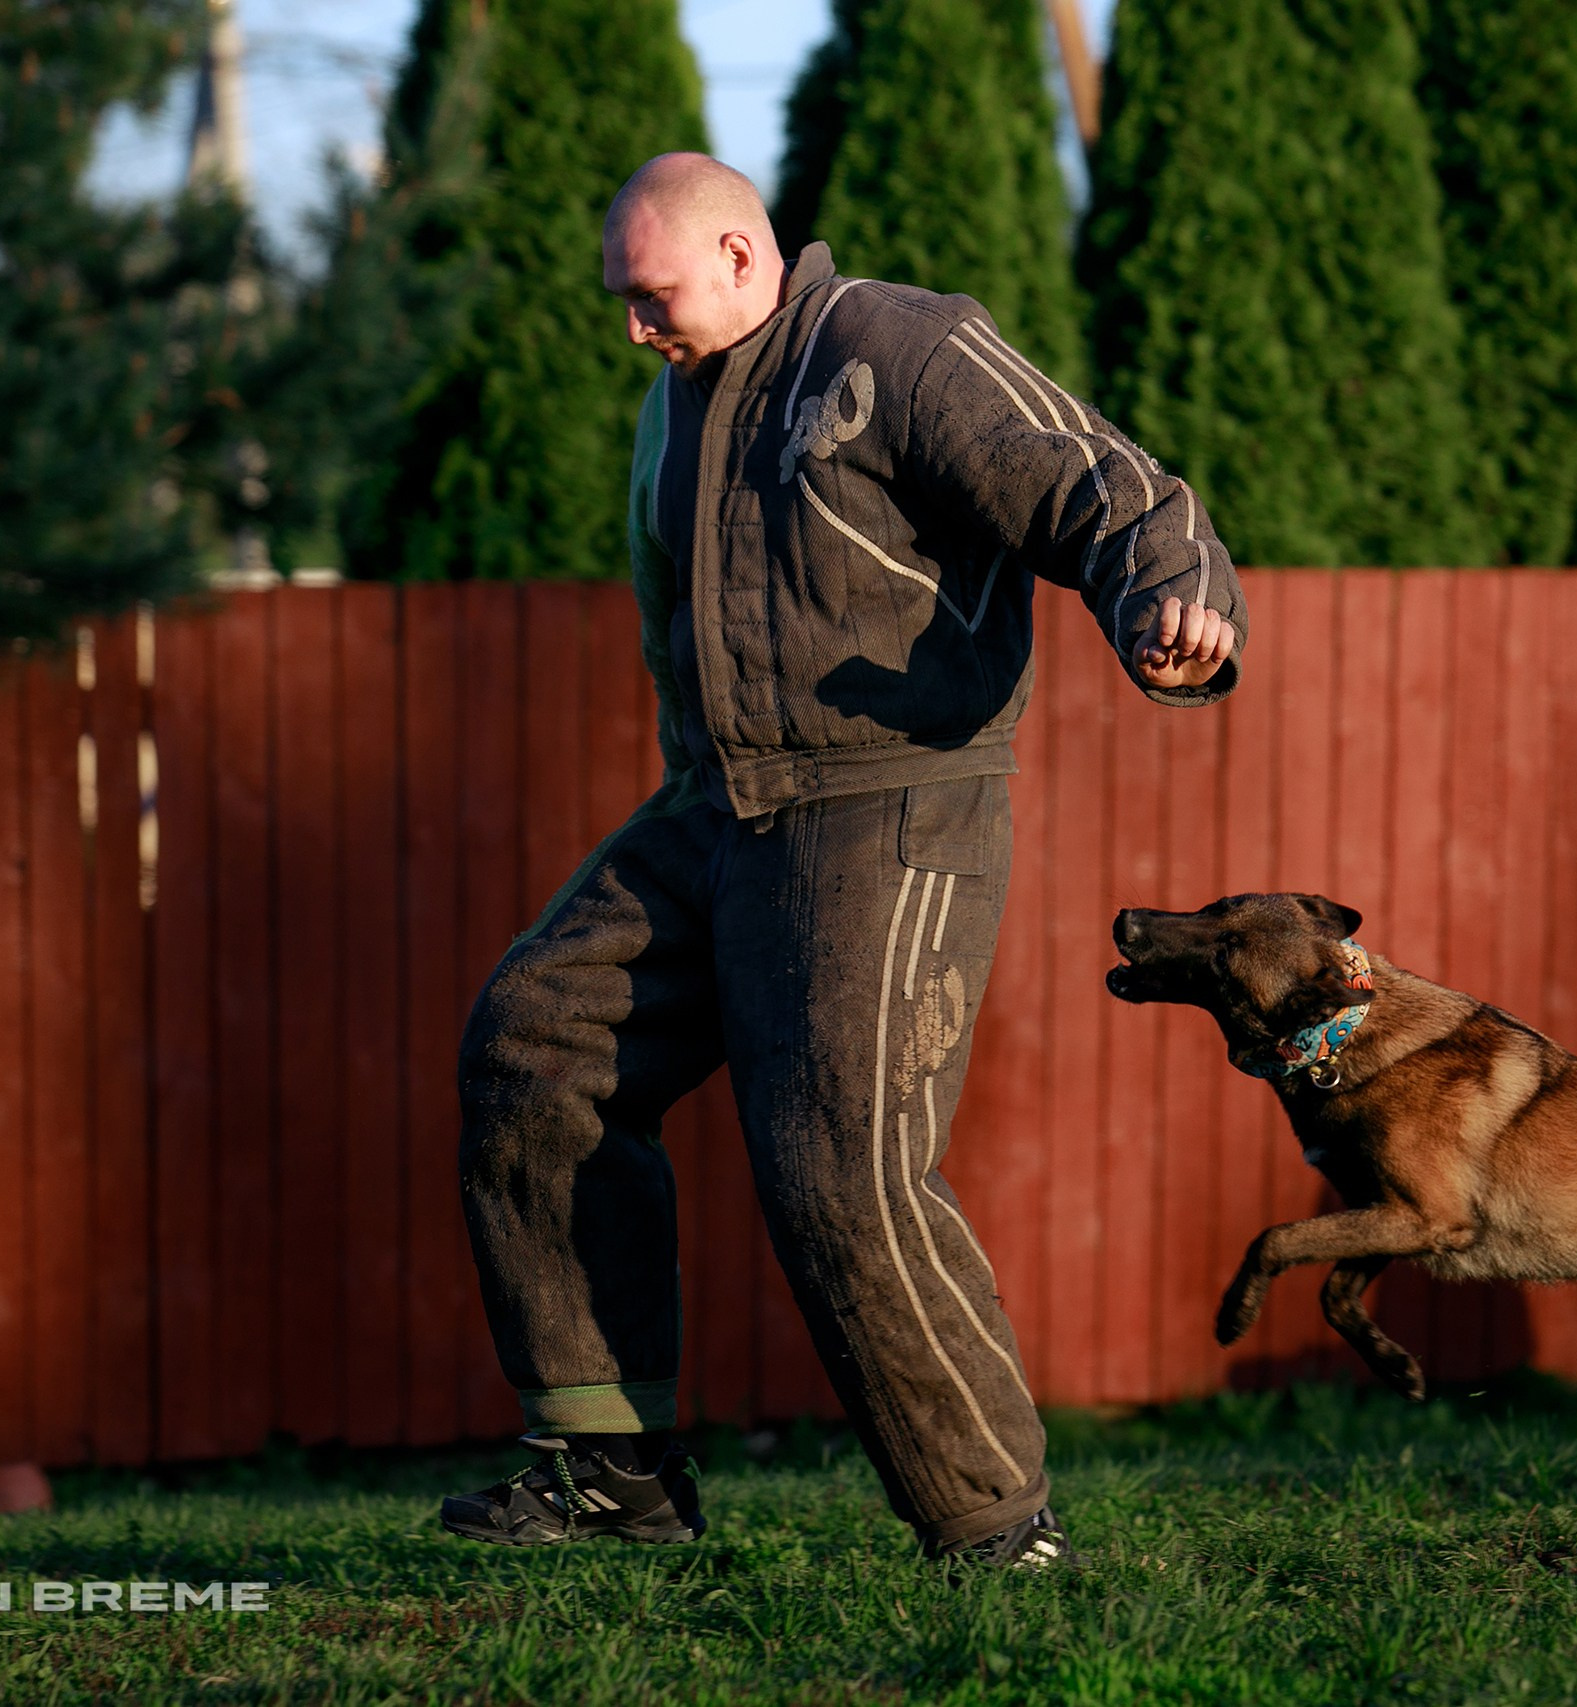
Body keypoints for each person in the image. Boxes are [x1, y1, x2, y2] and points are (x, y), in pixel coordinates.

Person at [439, 153, 1245, 1568]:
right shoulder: (672, 406)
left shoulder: (899, 347)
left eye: (652, 297)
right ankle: (610, 1469)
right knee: (533, 1042)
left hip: (892, 804)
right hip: (715, 807)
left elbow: (1102, 481)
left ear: (746, 260)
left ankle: (996, 1527)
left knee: (838, 1164)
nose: (633, 328)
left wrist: (1172, 595)